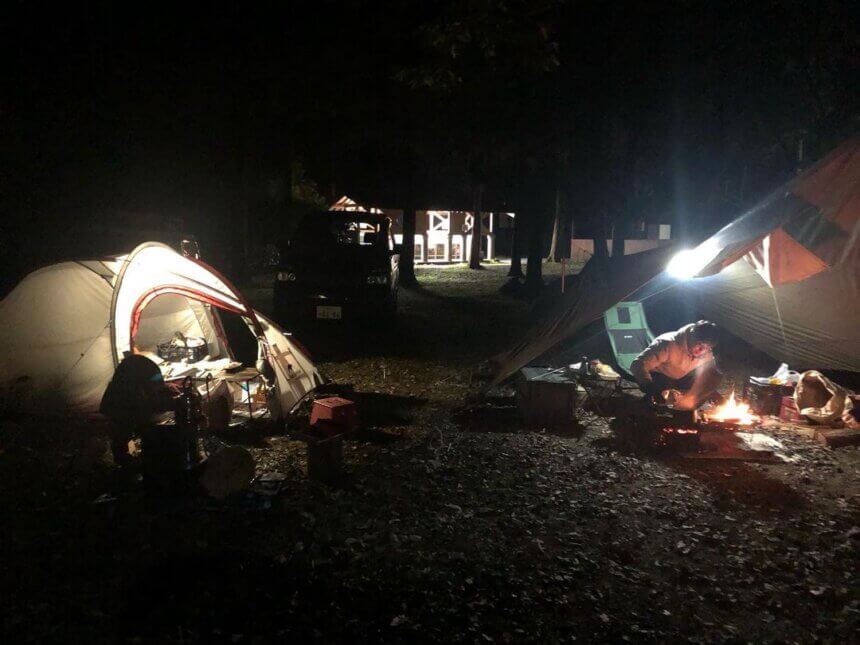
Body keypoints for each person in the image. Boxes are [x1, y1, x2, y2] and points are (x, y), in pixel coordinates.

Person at [99, 353, 174, 469]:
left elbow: (155, 391)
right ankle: (126, 462)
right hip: (127, 400)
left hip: (138, 389)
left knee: (133, 426)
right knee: (124, 427)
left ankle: (131, 458)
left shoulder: (148, 380)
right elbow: (132, 416)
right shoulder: (122, 397)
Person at [630, 320, 723, 410]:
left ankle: (682, 410)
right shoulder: (667, 344)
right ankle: (648, 405)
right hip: (657, 376)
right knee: (665, 393)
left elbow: (710, 374)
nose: (701, 350)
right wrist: (649, 386)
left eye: (707, 347)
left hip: (679, 377)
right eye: (699, 344)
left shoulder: (706, 353)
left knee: (699, 388)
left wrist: (710, 392)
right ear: (692, 335)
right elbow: (638, 364)